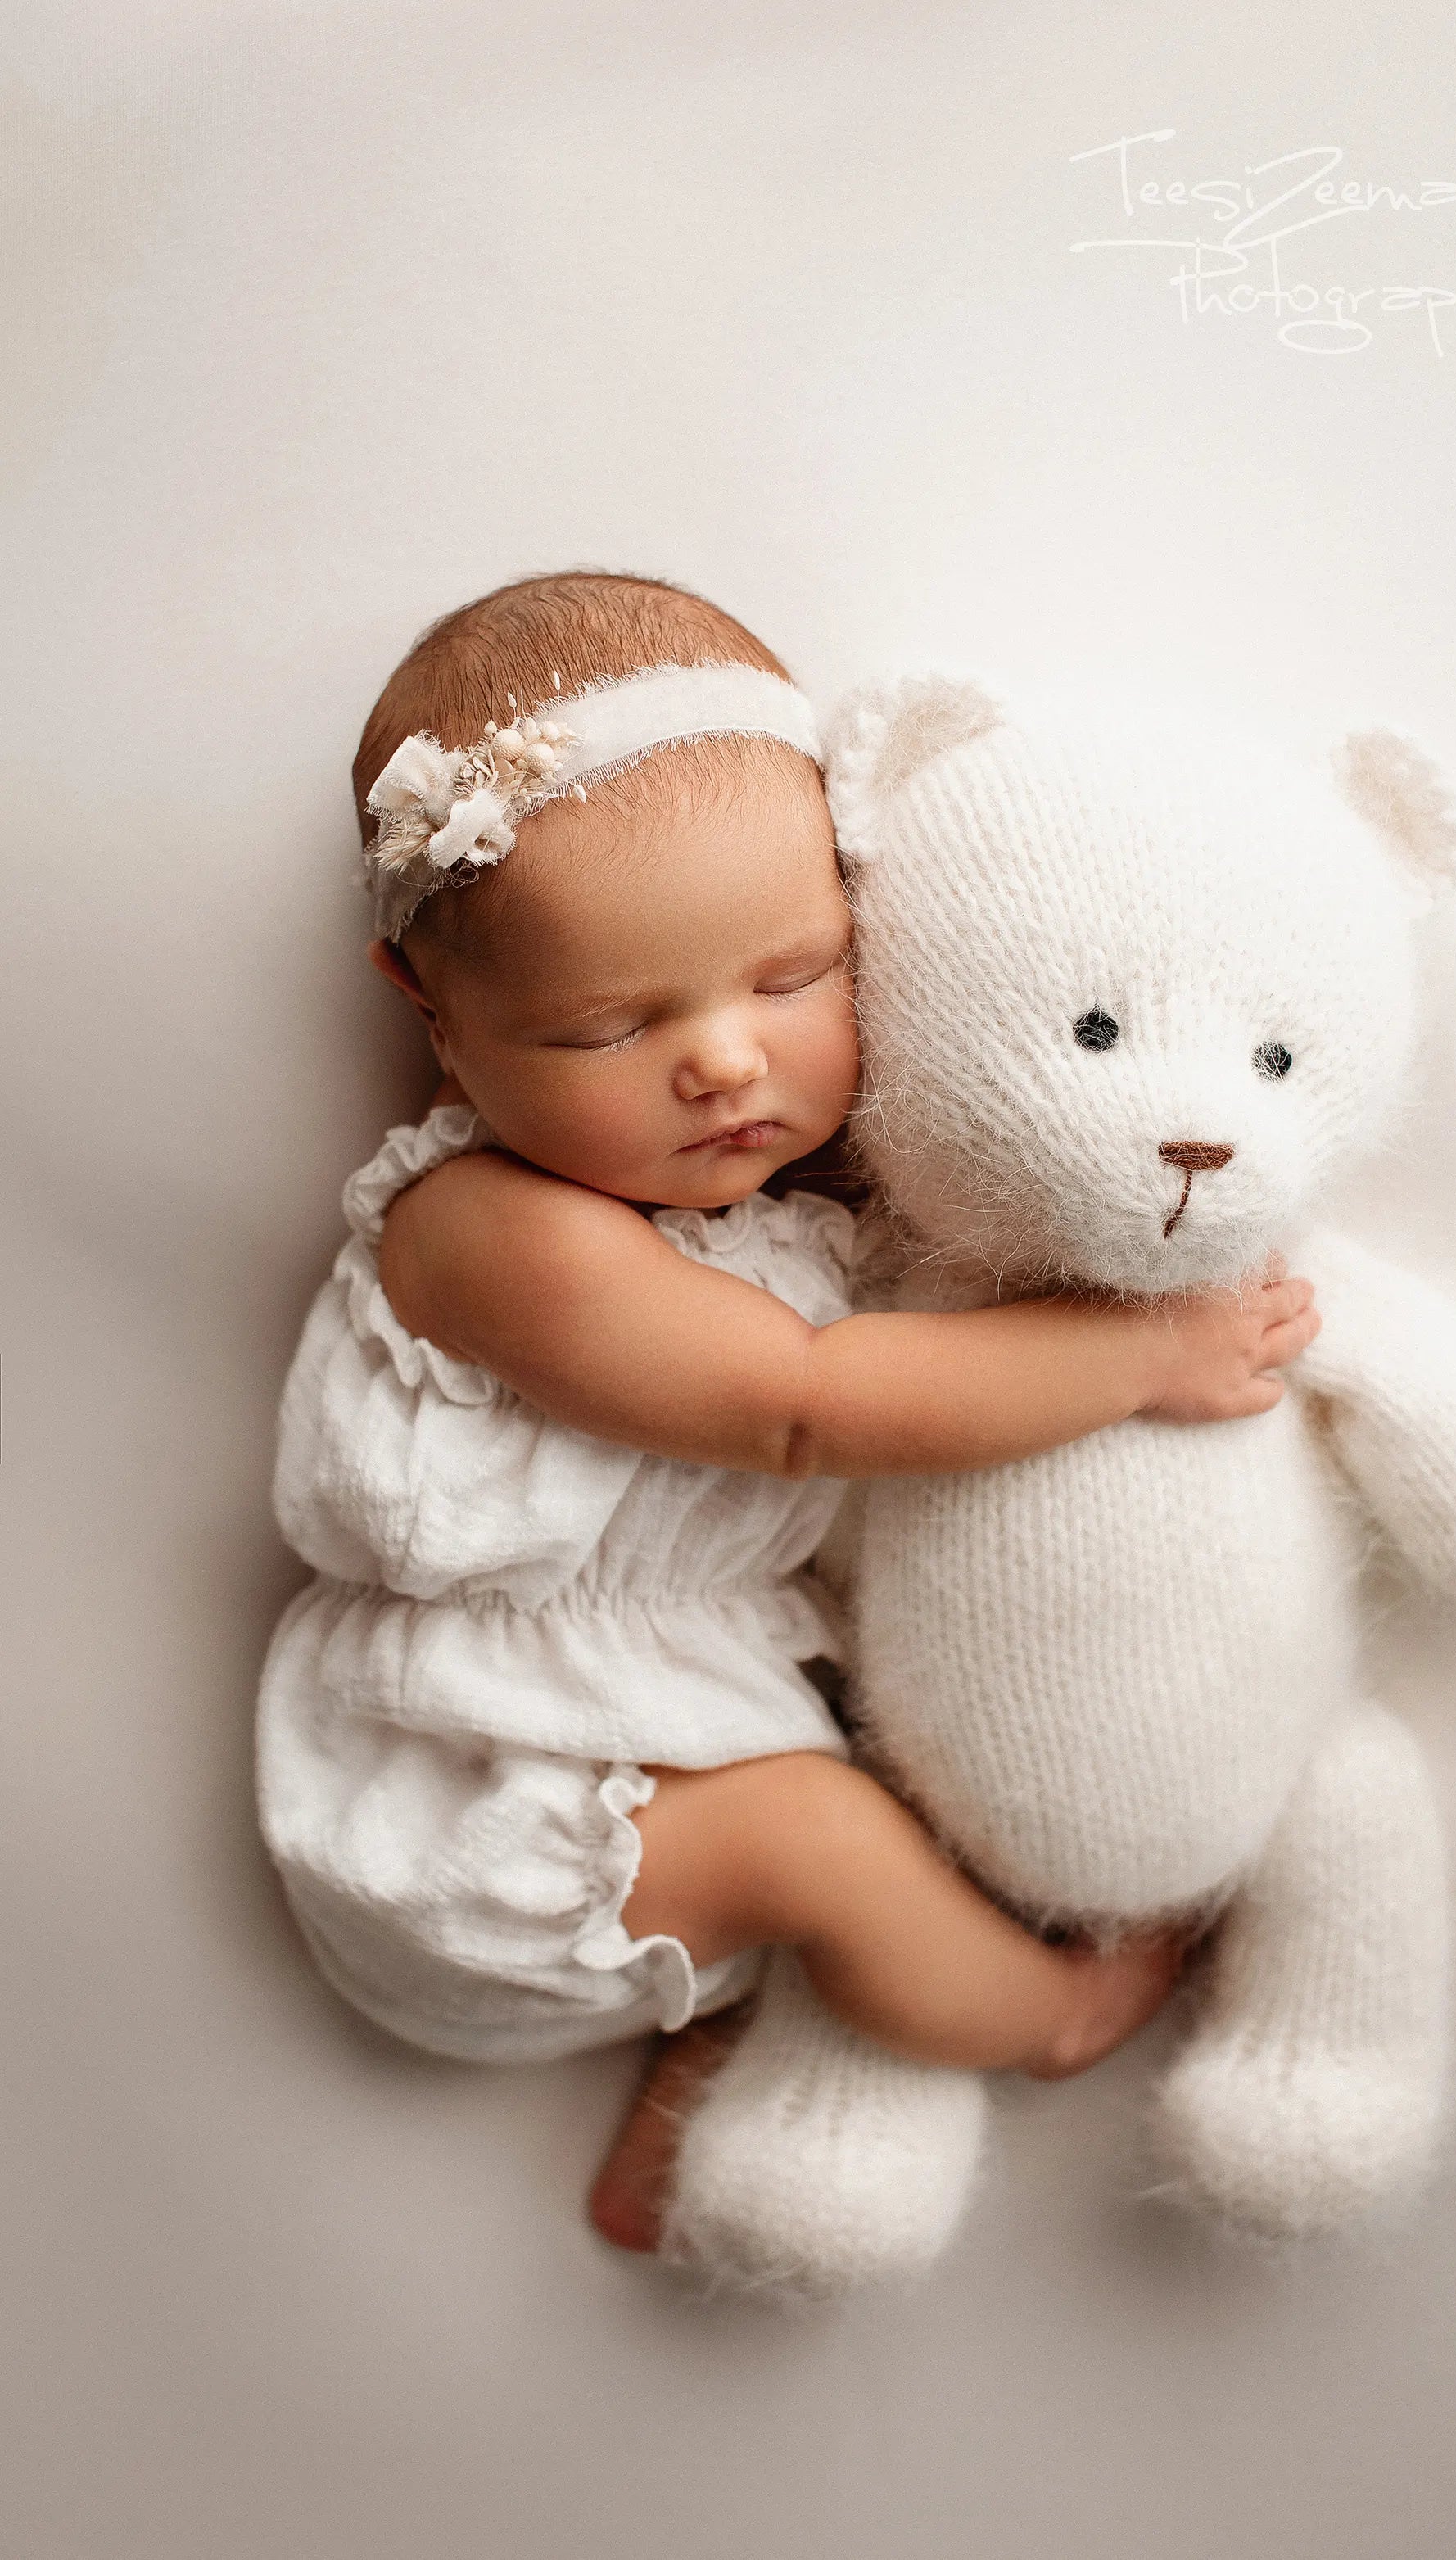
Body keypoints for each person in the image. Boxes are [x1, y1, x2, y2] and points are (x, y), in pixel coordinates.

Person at [256, 570, 1320, 2255]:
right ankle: (1038, 2018)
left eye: (792, 973)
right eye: (607, 1024)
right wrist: (1133, 1360)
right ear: (435, 1019)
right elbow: (805, 1408)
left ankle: (701, 2075)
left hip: (681, 1717)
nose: (725, 1066)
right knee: (824, 1837)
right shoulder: (489, 1235)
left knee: (868, 1789)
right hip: (487, 1814)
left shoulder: (759, 1191)